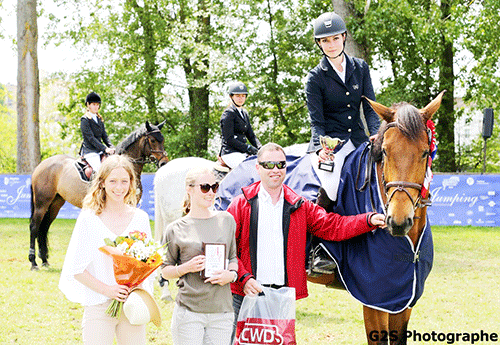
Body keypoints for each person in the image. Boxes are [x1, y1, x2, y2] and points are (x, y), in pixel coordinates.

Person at [227, 143, 386, 342]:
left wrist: (367, 220)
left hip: (280, 296)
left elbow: (332, 225)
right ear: (258, 168)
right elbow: (227, 250)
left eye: (280, 164)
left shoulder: (299, 205)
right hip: (245, 294)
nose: (275, 170)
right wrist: (243, 278)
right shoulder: (240, 204)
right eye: (268, 164)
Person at [59, 155, 155, 345]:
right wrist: (109, 290)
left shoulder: (141, 218)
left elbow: (148, 262)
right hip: (98, 305)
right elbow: (76, 269)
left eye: (124, 181)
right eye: (113, 181)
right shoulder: (89, 218)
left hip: (132, 305)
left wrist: (137, 290)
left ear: (131, 183)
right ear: (102, 183)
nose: (119, 187)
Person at [161, 167, 238, 345]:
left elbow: (233, 257)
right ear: (189, 189)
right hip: (189, 313)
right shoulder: (175, 228)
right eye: (205, 187)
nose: (211, 192)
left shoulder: (226, 220)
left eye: (214, 187)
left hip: (222, 312)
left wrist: (231, 275)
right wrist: (185, 268)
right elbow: (165, 271)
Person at [305, 12, 380, 160]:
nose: (331, 45)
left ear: (344, 37)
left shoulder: (361, 68)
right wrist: (320, 148)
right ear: (319, 43)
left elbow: (370, 107)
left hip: (359, 141)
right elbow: (317, 121)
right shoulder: (315, 78)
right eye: (325, 41)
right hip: (332, 146)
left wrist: (375, 132)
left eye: (335, 38)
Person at [219, 82, 261, 169]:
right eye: (237, 96)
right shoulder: (228, 114)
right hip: (230, 153)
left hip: (241, 152)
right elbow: (229, 139)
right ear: (231, 97)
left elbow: (251, 135)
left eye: (243, 96)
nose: (240, 98)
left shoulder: (244, 113)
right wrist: (247, 147)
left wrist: (261, 148)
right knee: (248, 169)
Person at [80, 91, 115, 173]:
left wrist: (111, 147)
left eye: (97, 105)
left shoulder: (99, 119)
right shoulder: (85, 120)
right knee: (100, 171)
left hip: (100, 150)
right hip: (90, 151)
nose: (96, 107)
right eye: (94, 105)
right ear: (88, 105)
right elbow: (91, 138)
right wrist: (105, 149)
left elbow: (105, 136)